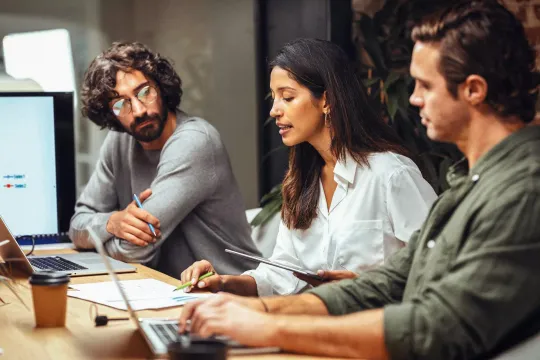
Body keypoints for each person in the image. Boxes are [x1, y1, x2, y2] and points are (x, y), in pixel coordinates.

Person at [177, 1, 540, 359]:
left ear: (474, 90)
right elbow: (385, 284)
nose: (412, 99)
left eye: (425, 86)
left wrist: (269, 327)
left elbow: (439, 327)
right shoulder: (469, 185)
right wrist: (254, 310)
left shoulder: (523, 190)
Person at [179, 38, 436, 296]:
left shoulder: (391, 175)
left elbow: (438, 270)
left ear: (326, 100)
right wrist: (222, 283)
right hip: (314, 326)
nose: (274, 111)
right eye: (274, 97)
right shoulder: (301, 182)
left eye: (287, 97)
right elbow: (280, 274)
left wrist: (365, 287)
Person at [69, 42, 261, 278]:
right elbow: (77, 225)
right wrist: (112, 223)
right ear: (110, 114)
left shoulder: (195, 142)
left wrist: (96, 241)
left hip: (225, 295)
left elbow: (134, 252)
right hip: (161, 289)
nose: (139, 110)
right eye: (121, 104)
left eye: (144, 92)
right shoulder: (118, 142)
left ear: (160, 87)